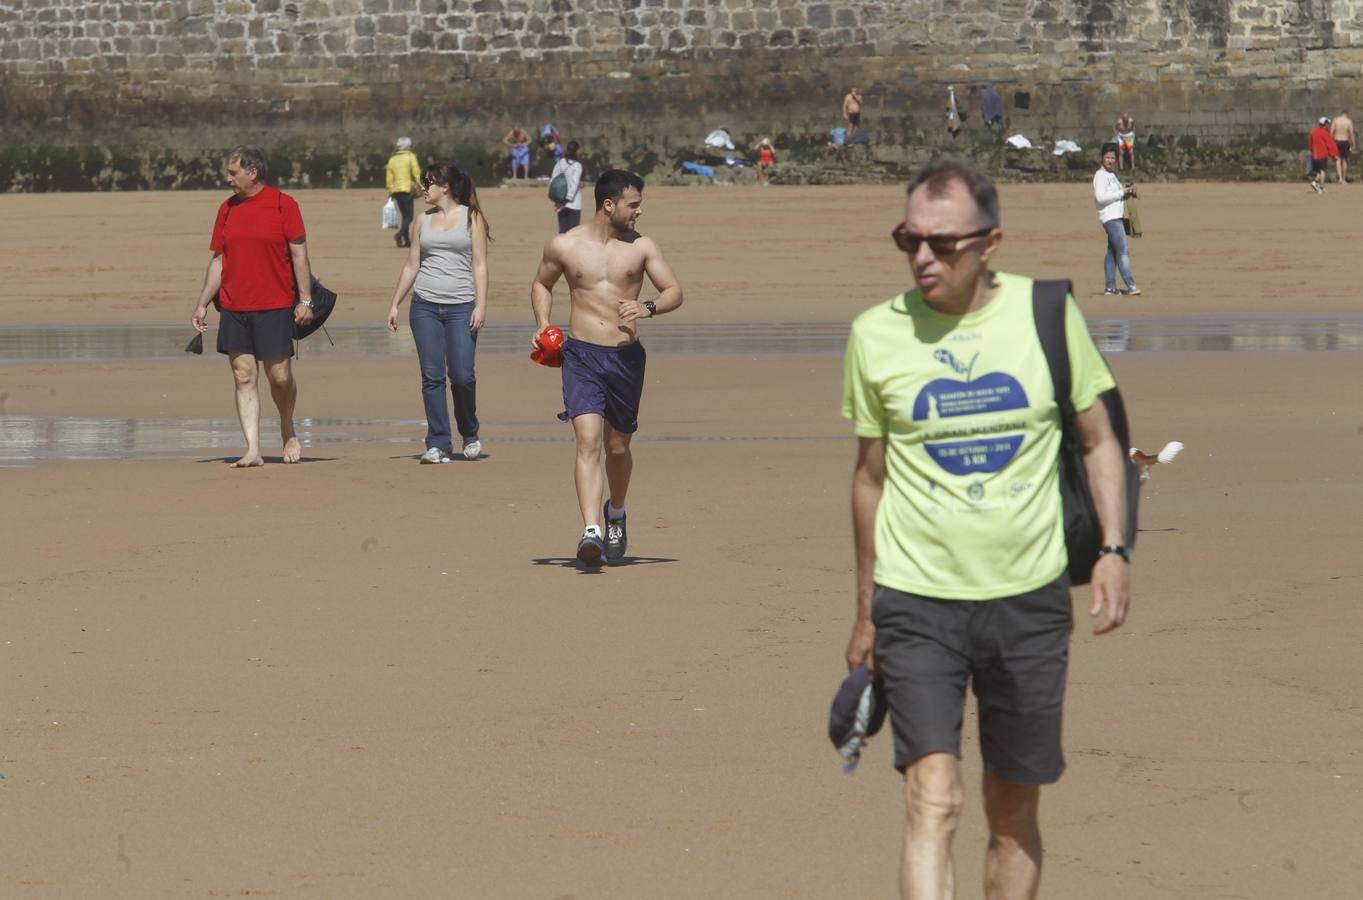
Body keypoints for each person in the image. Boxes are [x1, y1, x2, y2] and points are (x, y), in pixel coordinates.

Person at [842, 158, 1131, 900]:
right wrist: (864, 606)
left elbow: (1099, 439)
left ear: (990, 242)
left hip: (1027, 600)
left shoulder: (1045, 314)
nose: (922, 258)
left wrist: (1112, 549)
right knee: (931, 800)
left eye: (942, 244)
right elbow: (869, 478)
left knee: (1010, 812)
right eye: (907, 240)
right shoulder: (875, 334)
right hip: (915, 599)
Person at [529, 170, 683, 566]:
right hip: (580, 354)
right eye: (633, 204)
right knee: (588, 441)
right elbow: (541, 284)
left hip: (624, 357)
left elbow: (674, 292)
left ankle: (616, 511)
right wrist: (544, 323)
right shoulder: (565, 244)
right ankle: (591, 529)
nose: (639, 211)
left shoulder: (642, 247)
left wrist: (646, 307)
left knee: (617, 447)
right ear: (609, 205)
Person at [190, 145, 315, 467]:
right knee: (243, 376)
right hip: (233, 306)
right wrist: (202, 303)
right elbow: (219, 259)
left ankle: (288, 429)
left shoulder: (282, 205)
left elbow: (299, 255)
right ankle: (253, 448)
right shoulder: (227, 209)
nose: (227, 178)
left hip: (274, 304)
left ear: (252, 172)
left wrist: (304, 300)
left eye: (233, 173)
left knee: (280, 377)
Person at [385, 163, 490, 463]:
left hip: (461, 307)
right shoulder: (422, 219)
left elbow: (480, 265)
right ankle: (438, 442)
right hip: (425, 306)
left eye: (428, 182)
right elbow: (411, 265)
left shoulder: (472, 218)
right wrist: (395, 303)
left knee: (462, 375)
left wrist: (480, 305)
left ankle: (469, 431)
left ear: (445, 187)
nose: (423, 188)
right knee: (432, 377)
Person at [1093, 145, 1139, 295]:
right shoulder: (1100, 175)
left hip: (1117, 217)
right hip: (1110, 218)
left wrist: (1127, 192)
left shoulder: (1111, 175)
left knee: (1112, 252)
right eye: (1107, 157)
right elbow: (1100, 198)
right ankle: (1131, 285)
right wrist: (1121, 193)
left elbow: (1117, 195)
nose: (1110, 160)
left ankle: (1110, 287)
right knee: (1123, 250)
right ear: (1102, 157)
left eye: (1113, 157)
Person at [386, 137, 421, 248]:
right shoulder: (411, 157)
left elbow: (389, 177)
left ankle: (406, 240)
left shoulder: (392, 159)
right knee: (409, 217)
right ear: (407, 147)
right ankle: (399, 234)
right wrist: (422, 185)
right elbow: (416, 173)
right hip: (407, 190)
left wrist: (390, 190)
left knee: (404, 216)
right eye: (410, 145)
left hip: (396, 191)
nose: (411, 147)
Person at [551, 141, 585, 233]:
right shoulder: (577, 166)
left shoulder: (560, 163)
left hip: (560, 201)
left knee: (562, 231)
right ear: (576, 151)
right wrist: (565, 201)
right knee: (573, 233)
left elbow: (553, 181)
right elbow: (574, 184)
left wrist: (558, 201)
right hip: (573, 203)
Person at [1309, 116, 1339, 194]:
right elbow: (1330, 144)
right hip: (1322, 155)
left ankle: (1315, 182)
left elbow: (1310, 144)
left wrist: (1313, 152)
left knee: (1319, 171)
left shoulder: (1313, 132)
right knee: (1323, 171)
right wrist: (1334, 154)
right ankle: (1321, 187)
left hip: (1314, 155)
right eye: (1327, 124)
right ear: (1325, 124)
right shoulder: (1325, 133)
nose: (1328, 125)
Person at [1330, 111, 1355, 184]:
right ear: (1346, 115)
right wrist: (1353, 144)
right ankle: (1344, 179)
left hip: (1336, 141)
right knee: (1344, 160)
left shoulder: (1335, 120)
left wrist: (1331, 142)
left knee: (1337, 160)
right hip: (1345, 141)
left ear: (1341, 114)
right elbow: (1351, 133)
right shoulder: (1349, 121)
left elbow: (1331, 132)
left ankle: (1340, 178)